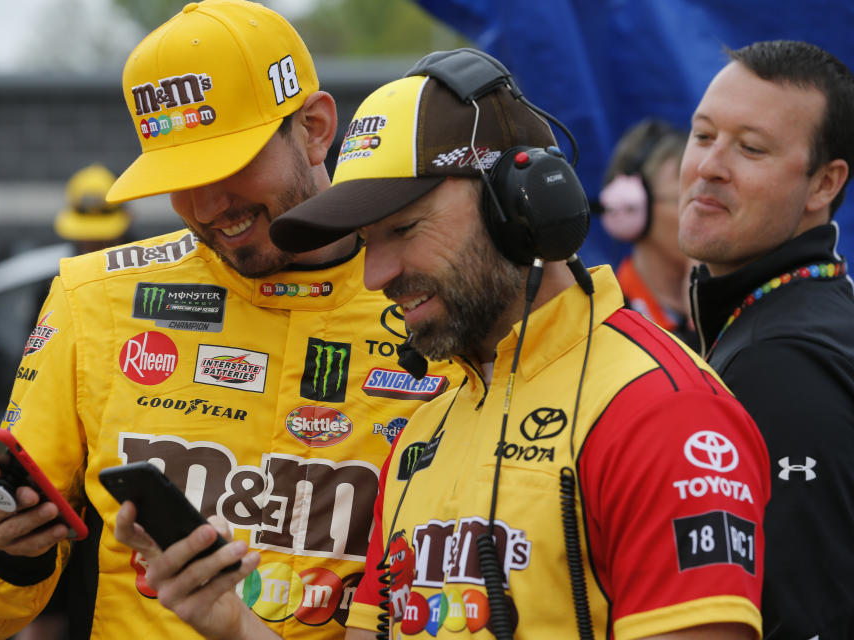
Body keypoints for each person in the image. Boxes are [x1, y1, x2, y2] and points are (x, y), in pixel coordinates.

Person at [131, 48, 769, 639]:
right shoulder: (423, 430)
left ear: (518, 210)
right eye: (365, 242)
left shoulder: (661, 412)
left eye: (404, 229)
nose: (374, 275)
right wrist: (233, 622)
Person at [0, 3, 456, 639]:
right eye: (180, 176)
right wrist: (8, 552)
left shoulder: (434, 300)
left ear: (316, 127)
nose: (209, 205)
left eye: (229, 164)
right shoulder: (94, 298)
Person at [679, 40, 854, 639]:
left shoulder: (781, 361)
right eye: (703, 136)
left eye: (750, 148)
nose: (710, 166)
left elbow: (806, 620)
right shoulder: (797, 318)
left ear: (823, 184)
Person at [599, 119, 697, 345]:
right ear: (631, 207)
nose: (702, 214)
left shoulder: (729, 304)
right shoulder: (609, 320)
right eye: (685, 200)